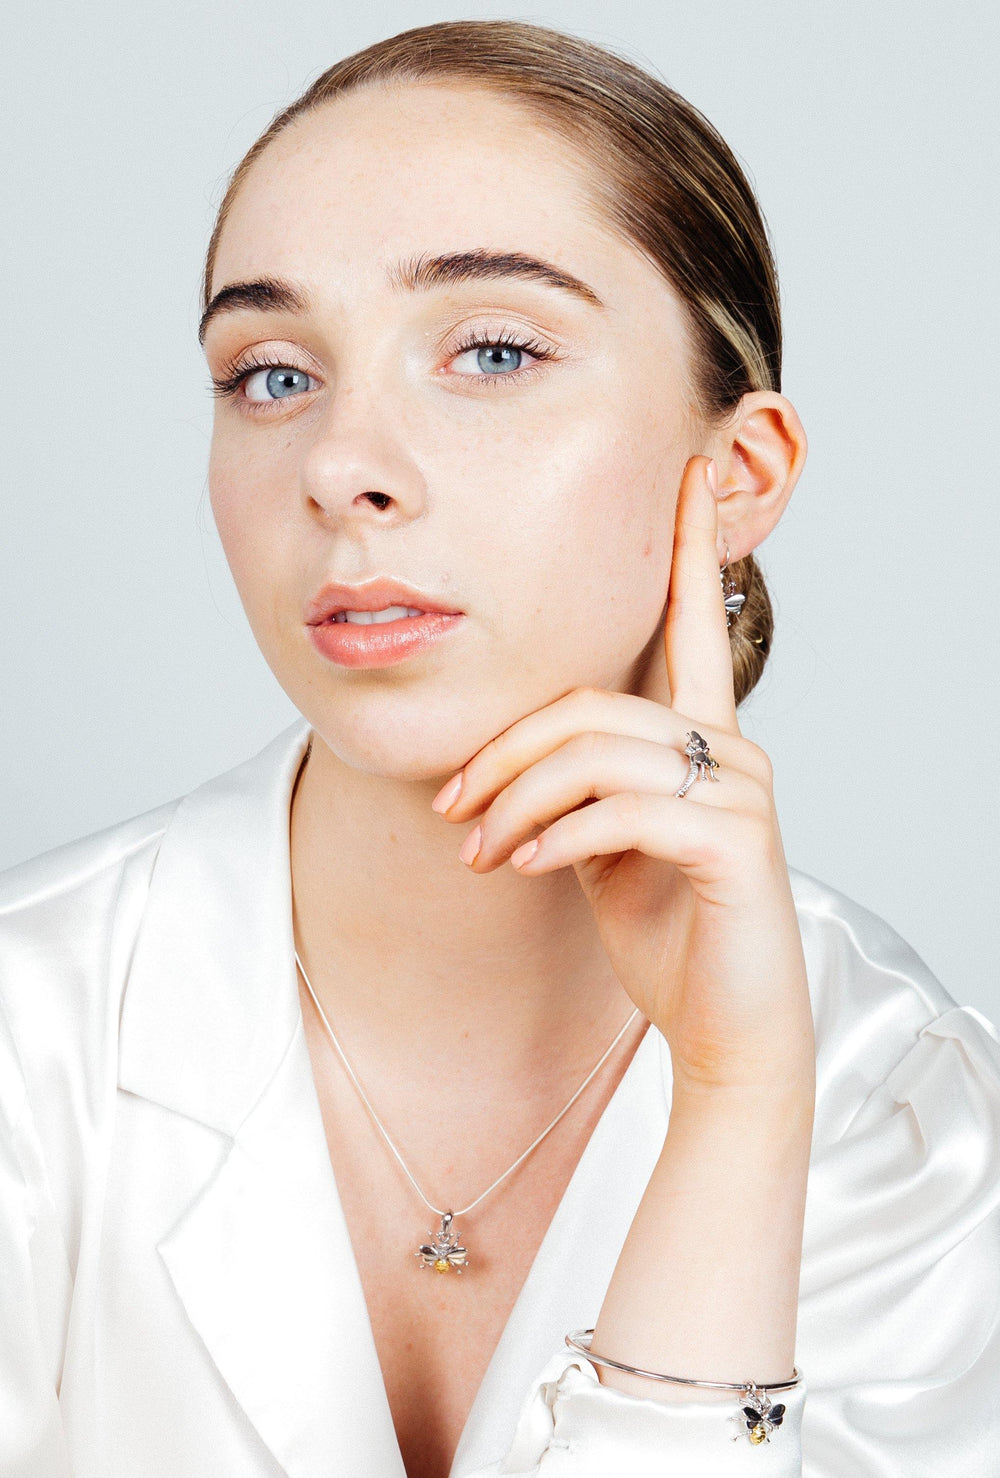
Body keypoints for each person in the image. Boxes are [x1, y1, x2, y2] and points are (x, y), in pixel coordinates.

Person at [1, 19, 998, 1478]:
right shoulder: (29, 1039)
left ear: (738, 477)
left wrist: (737, 1104)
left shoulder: (905, 1110)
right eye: (272, 372)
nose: (341, 464)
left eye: (493, 350)